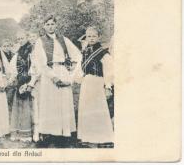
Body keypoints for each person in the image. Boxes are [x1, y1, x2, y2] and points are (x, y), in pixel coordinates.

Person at [31, 15, 81, 148]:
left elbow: (77, 55)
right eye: (47, 24)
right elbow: (40, 62)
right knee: (50, 105)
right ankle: (50, 134)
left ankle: (64, 135)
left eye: (52, 24)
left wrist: (71, 72)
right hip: (49, 74)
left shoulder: (63, 39)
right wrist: (54, 77)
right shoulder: (40, 41)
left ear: (56, 25)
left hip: (63, 71)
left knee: (64, 103)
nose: (50, 26)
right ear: (44, 26)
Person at [72, 26, 114, 148]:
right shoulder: (85, 51)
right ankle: (87, 137)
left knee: (97, 109)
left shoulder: (103, 53)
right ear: (86, 37)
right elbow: (80, 69)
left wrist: (108, 86)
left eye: (94, 36)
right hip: (86, 83)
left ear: (98, 37)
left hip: (97, 83)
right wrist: (76, 79)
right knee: (86, 109)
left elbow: (109, 71)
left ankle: (102, 137)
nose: (91, 38)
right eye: (89, 36)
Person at [9, 32, 35, 142]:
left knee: (30, 108)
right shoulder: (17, 53)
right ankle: (18, 132)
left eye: (22, 38)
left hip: (31, 82)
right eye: (18, 38)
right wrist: (13, 79)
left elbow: (35, 67)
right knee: (19, 108)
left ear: (27, 38)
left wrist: (29, 83)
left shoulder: (33, 50)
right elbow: (13, 68)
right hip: (20, 82)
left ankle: (30, 133)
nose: (20, 40)